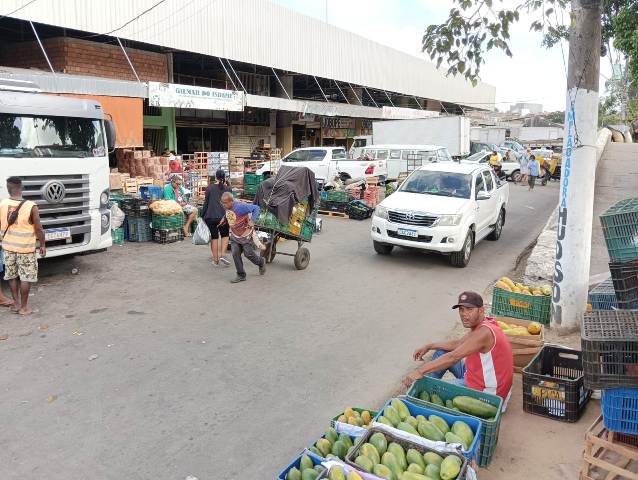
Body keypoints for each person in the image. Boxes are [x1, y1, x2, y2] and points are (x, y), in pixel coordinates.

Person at [403, 291, 513, 405]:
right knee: (442, 352)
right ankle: (426, 389)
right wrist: (429, 346)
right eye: (461, 309)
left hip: (488, 393)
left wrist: (419, 371)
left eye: (469, 309)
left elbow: (453, 357)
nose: (464, 314)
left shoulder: (484, 333)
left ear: (481, 310)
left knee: (437, 389)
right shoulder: (484, 324)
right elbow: (458, 344)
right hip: (475, 376)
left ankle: (426, 392)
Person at [0, 176, 46, 315]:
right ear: (21, 188)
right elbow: (39, 229)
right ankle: (24, 308)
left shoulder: (2, 204)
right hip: (25, 249)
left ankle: (16, 304)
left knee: (12, 276)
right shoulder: (31, 206)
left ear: (8, 189)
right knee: (25, 277)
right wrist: (42, 244)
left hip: (7, 247)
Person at [219, 192, 265, 284]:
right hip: (235, 235)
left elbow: (256, 208)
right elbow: (229, 213)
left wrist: (252, 221)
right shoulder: (228, 207)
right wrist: (224, 218)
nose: (223, 205)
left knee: (248, 254)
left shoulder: (240, 207)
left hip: (245, 235)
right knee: (235, 253)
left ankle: (261, 262)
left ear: (231, 201)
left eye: (225, 203)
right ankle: (241, 275)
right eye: (222, 203)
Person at [201, 169, 231, 267]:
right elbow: (231, 204)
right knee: (225, 235)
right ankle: (222, 255)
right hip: (224, 217)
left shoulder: (209, 188)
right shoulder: (228, 189)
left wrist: (202, 216)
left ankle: (215, 260)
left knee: (214, 237)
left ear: (216, 177)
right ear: (224, 177)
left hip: (211, 217)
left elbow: (206, 204)